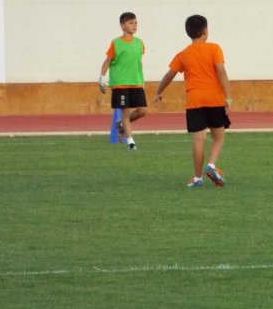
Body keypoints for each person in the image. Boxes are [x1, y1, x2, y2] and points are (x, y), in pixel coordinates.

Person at [153, 15, 232, 187]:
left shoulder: (183, 54)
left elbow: (169, 76)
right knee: (218, 137)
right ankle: (211, 165)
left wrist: (158, 92)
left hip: (195, 101)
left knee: (199, 139)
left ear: (188, 33)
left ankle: (197, 178)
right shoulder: (214, 48)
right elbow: (221, 72)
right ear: (205, 31)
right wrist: (228, 96)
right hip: (214, 99)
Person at [99, 12, 147, 150]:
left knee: (143, 111)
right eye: (131, 23)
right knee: (125, 112)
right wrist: (102, 77)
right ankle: (131, 142)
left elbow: (138, 62)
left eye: (136, 23)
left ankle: (120, 125)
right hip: (120, 84)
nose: (134, 25)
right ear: (122, 26)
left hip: (136, 82)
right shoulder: (116, 43)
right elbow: (107, 60)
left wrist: (141, 78)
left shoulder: (139, 43)